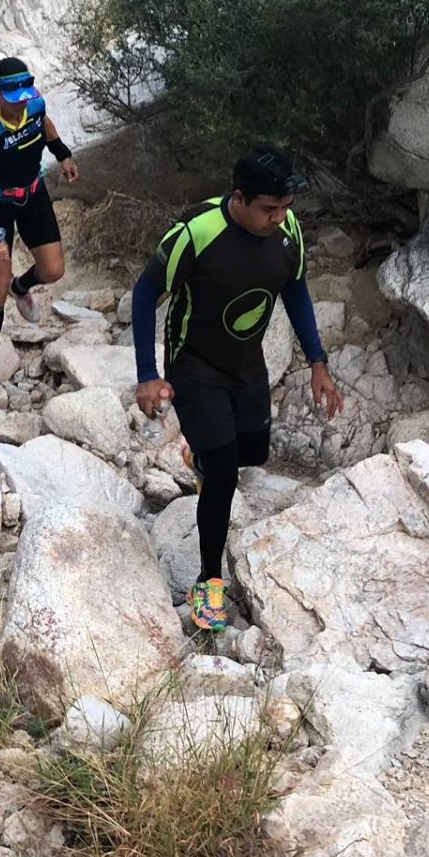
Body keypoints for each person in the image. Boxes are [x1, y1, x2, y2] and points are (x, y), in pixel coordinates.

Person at [132, 146, 342, 632]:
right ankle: (208, 585)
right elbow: (145, 293)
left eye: (285, 207)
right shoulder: (196, 234)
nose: (280, 217)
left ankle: (202, 455)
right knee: (224, 476)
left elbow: (295, 288)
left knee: (254, 451)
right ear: (240, 199)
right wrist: (147, 373)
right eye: (269, 209)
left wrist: (317, 361)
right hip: (195, 367)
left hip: (247, 365)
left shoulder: (287, 231)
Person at [0, 57, 79, 401]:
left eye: (23, 93)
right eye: (12, 95)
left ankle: (23, 287)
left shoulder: (34, 105)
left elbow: (46, 124)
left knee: (53, 270)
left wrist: (63, 153)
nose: (20, 101)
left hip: (33, 192)